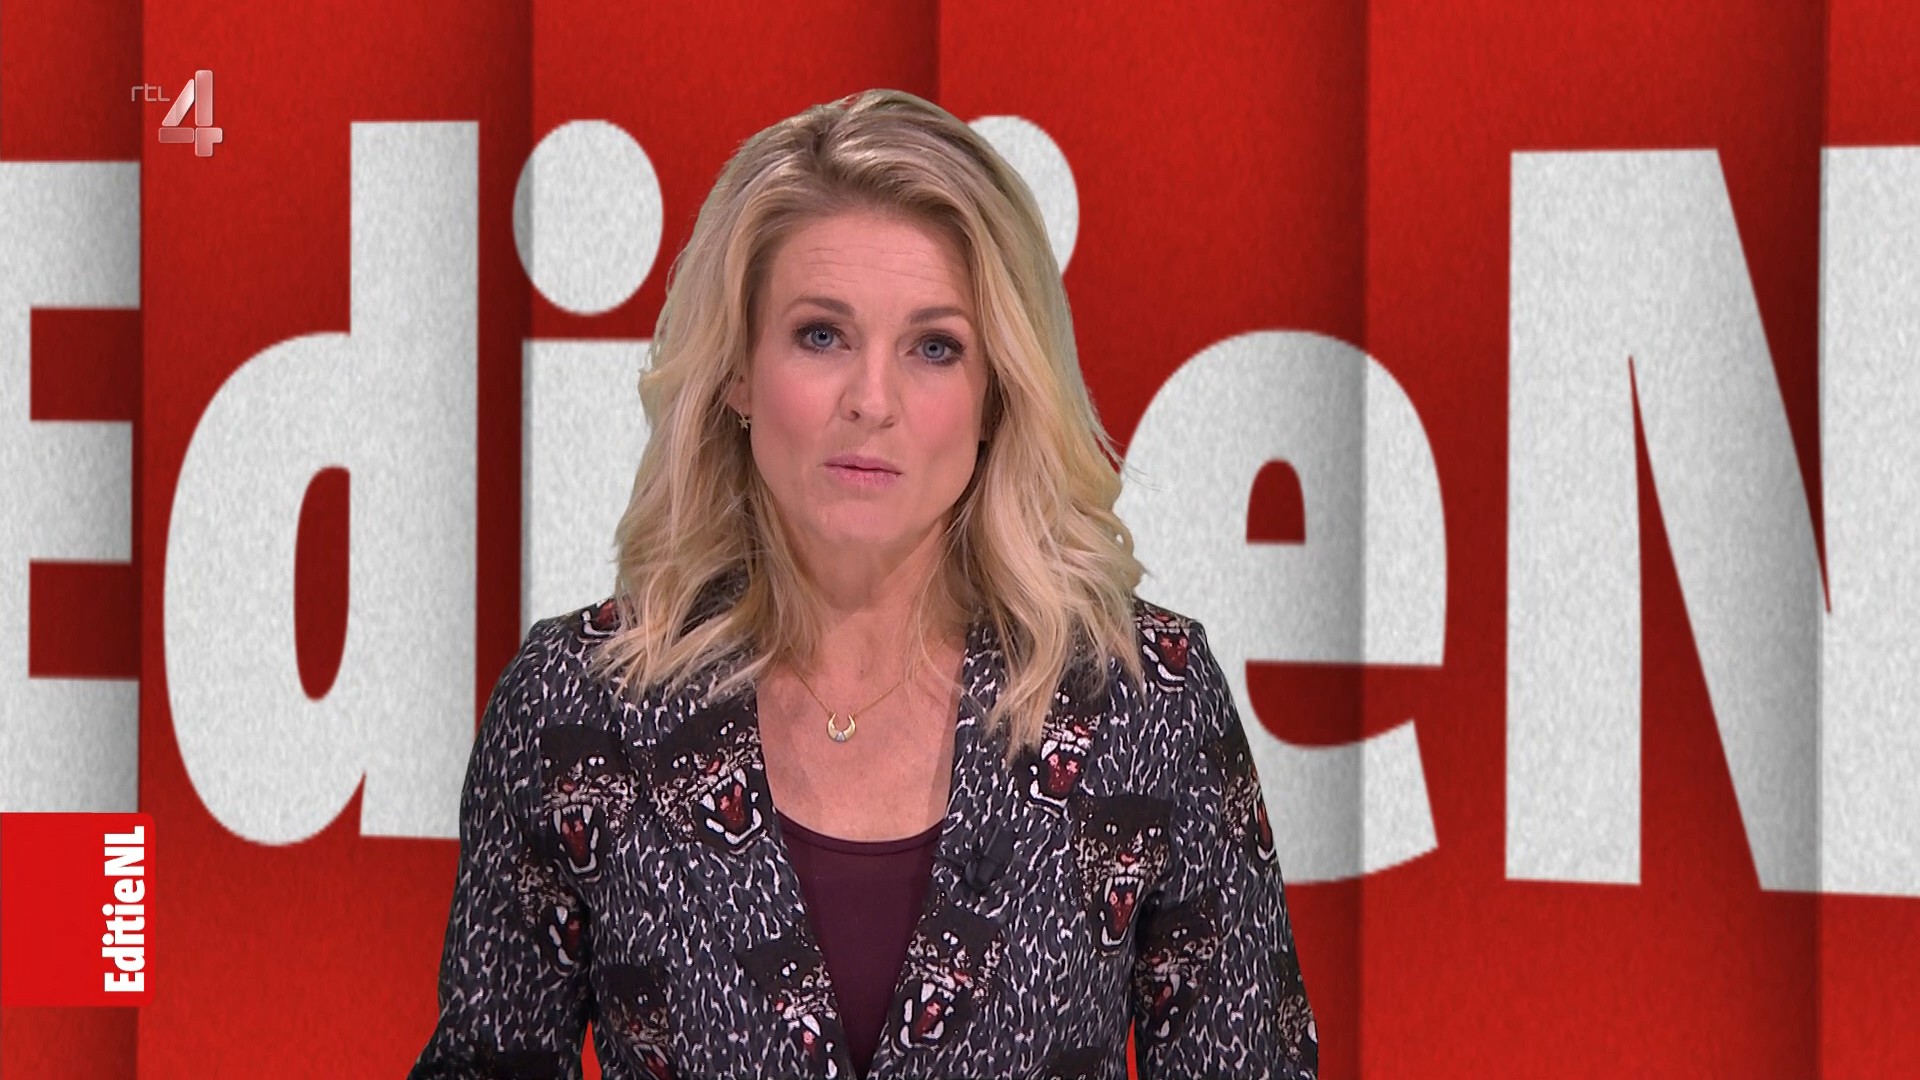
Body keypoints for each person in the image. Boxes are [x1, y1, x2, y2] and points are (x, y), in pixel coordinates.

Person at [410, 88, 1316, 1080]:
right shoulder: (577, 704)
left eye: (935, 347)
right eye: (821, 335)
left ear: (995, 395)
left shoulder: (1144, 696)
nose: (872, 401)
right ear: (738, 372)